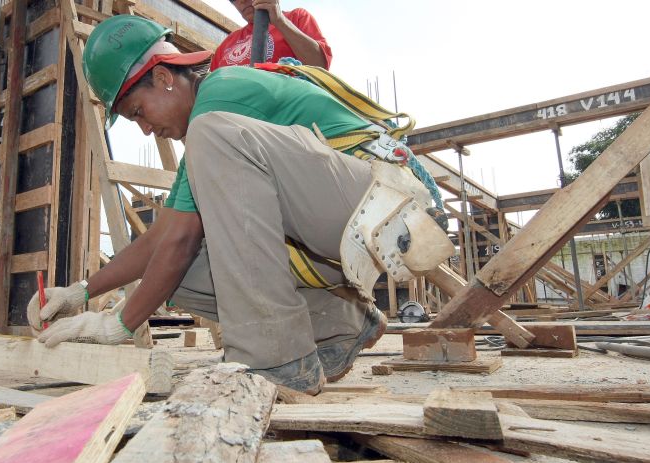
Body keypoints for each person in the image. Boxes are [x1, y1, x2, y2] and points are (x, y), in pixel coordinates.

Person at [28, 16, 451, 394]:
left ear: (162, 78)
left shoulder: (219, 103)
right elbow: (162, 237)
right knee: (181, 273)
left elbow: (181, 237)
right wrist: (81, 292)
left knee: (194, 204)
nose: (145, 130)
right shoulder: (211, 132)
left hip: (385, 206)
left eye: (138, 111)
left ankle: (275, 360)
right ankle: (340, 323)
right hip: (341, 224)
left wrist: (118, 323)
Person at [210, 0, 331, 70]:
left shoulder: (297, 17)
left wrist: (279, 20)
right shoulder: (227, 44)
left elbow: (319, 65)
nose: (241, 1)